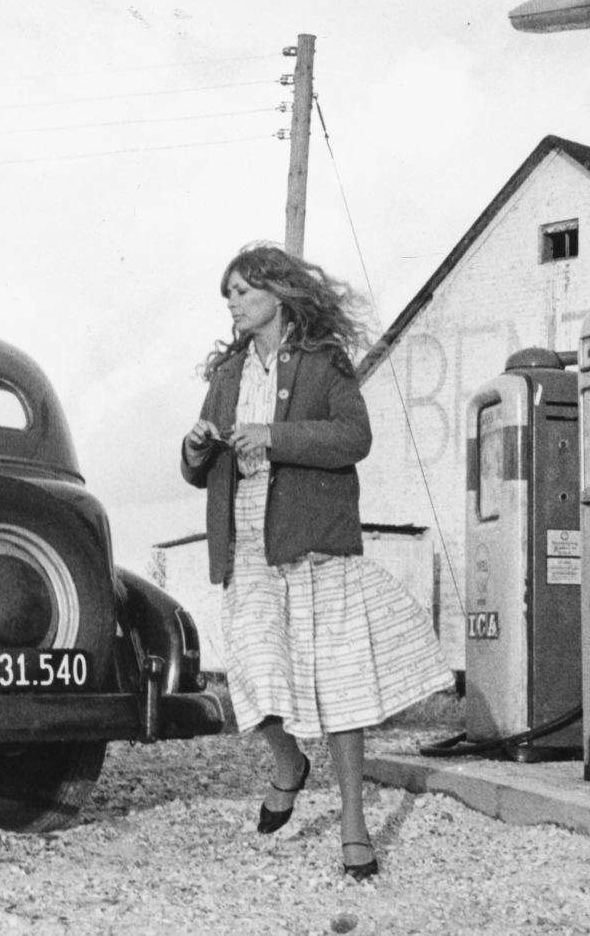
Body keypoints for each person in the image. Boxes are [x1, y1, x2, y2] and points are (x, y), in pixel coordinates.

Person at [181, 243, 450, 880]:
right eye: (230, 296)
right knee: (250, 671)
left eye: (244, 291)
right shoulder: (227, 375)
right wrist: (195, 448)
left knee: (339, 687)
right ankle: (288, 763)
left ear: (279, 292)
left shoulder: (323, 361)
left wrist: (273, 437)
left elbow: (353, 438)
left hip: (312, 546)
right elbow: (199, 473)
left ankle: (353, 823)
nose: (235, 304)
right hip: (245, 547)